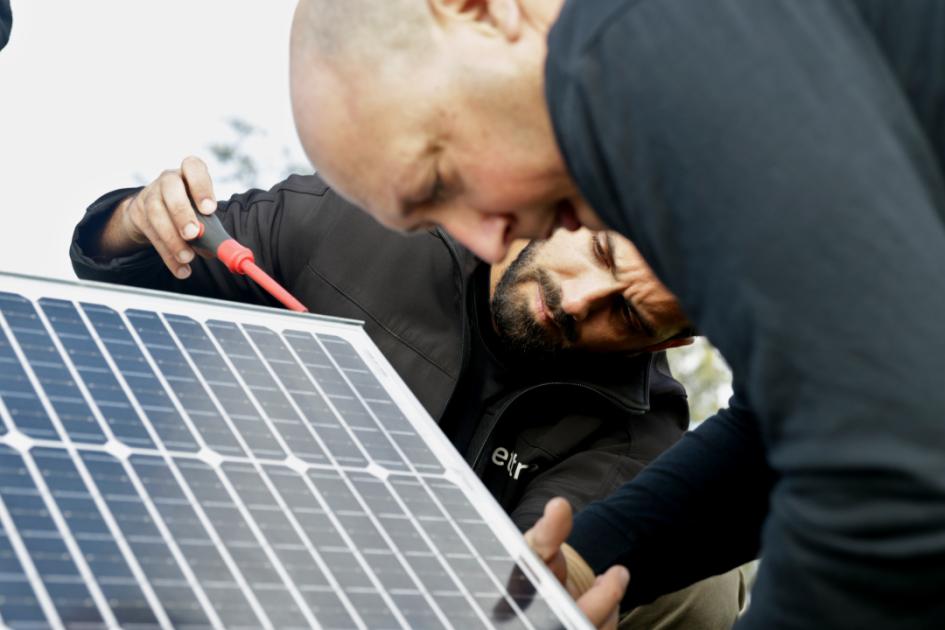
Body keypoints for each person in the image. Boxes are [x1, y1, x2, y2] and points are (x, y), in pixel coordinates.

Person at [287, 1, 945, 628]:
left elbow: (893, 468)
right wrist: (574, 566)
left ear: (478, 9)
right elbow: (783, 428)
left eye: (441, 179)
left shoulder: (646, 51)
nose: (487, 243)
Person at [71, 161, 744, 629]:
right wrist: (132, 221)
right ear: (567, 203)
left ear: (664, 344)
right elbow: (136, 278)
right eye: (597, 254)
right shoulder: (350, 224)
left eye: (624, 314)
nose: (574, 302)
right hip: (204, 546)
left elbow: (507, 601)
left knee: (705, 593)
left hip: (388, 611)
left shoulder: (636, 440)